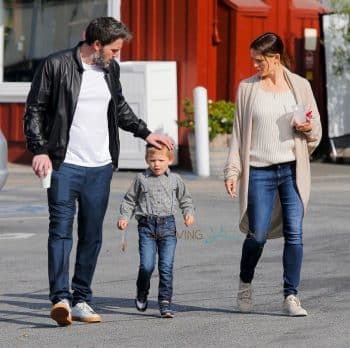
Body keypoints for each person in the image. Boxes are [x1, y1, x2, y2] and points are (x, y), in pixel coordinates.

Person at [23, 17, 173, 326]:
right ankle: (60, 299)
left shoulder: (109, 70)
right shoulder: (56, 65)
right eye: (115, 50)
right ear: (96, 46)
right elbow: (34, 109)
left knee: (91, 236)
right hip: (64, 165)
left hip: (100, 167)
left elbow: (118, 107)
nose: (118, 56)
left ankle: (81, 300)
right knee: (61, 232)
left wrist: (145, 133)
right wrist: (39, 150)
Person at [224, 32, 322, 317]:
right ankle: (245, 284)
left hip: (291, 170)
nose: (255, 65)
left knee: (295, 233)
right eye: (253, 60)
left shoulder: (300, 86)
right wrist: (233, 170)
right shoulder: (247, 89)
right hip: (258, 172)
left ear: (275, 58)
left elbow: (315, 129)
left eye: (259, 60)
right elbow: (238, 134)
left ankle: (291, 296)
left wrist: (306, 129)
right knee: (257, 236)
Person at [117, 144, 195, 318]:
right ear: (147, 160)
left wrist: (188, 213)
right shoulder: (141, 178)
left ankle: (165, 302)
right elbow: (129, 201)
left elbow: (185, 199)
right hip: (146, 227)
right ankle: (142, 292)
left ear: (170, 160)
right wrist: (124, 217)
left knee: (166, 267)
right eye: (152, 160)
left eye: (161, 160)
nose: (157, 164)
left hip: (168, 226)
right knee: (147, 266)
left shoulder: (175, 179)